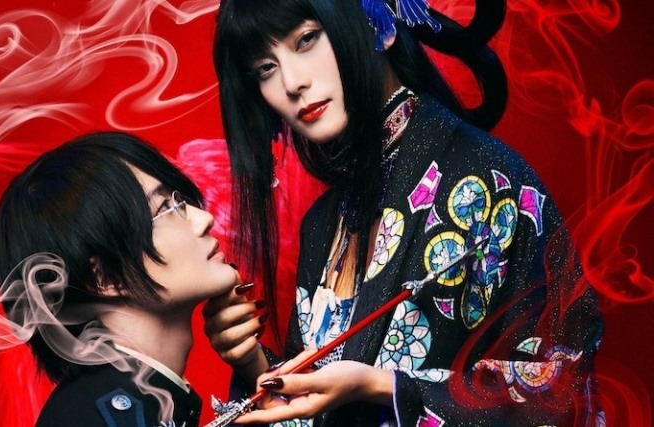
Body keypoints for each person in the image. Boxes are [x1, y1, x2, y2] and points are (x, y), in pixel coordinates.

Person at [203, 0, 604, 426]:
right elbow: (312, 412)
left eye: (306, 39)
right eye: (265, 68)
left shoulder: (487, 179)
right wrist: (251, 361)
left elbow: (563, 388)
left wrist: (385, 387)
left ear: (380, 27)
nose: (292, 82)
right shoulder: (322, 224)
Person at [0, 131, 242, 427]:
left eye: (180, 201)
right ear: (105, 278)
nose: (204, 219)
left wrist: (253, 367)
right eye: (164, 209)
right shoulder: (99, 417)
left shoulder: (123, 402)